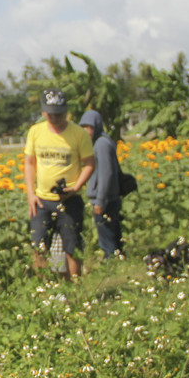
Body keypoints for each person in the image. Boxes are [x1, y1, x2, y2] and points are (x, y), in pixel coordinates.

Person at [24, 88, 95, 279]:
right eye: (50, 113)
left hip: (69, 199)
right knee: (38, 246)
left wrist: (77, 186)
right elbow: (30, 163)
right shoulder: (35, 132)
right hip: (41, 200)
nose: (54, 117)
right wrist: (31, 193)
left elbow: (89, 164)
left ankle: (76, 290)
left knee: (72, 247)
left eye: (58, 113)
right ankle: (45, 290)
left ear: (66, 111)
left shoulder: (79, 134)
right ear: (42, 112)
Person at [80, 109, 124, 261]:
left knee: (106, 233)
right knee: (112, 230)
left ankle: (110, 262)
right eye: (83, 127)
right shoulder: (100, 142)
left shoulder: (101, 144)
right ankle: (117, 259)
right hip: (107, 196)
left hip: (105, 197)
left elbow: (106, 174)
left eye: (89, 127)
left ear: (97, 125)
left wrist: (100, 200)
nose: (86, 131)